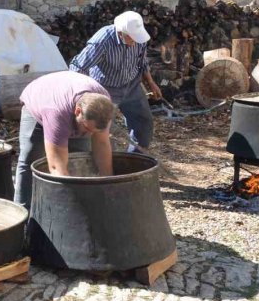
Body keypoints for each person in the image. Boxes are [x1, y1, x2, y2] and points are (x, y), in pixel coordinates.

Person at [14, 70, 116, 209]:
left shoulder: (104, 106)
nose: (90, 135)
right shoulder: (56, 113)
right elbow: (56, 168)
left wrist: (108, 186)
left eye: (94, 132)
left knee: (79, 162)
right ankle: (23, 210)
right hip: (40, 99)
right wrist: (73, 208)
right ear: (78, 112)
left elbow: (102, 143)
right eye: (88, 129)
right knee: (30, 158)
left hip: (69, 99)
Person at [69, 11, 162, 151]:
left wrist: (151, 83)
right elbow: (78, 67)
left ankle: (137, 157)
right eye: (131, 39)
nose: (134, 43)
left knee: (143, 121)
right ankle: (103, 159)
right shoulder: (102, 41)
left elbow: (142, 61)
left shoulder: (139, 38)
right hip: (105, 88)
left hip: (132, 85)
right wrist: (84, 95)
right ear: (120, 33)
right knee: (102, 128)